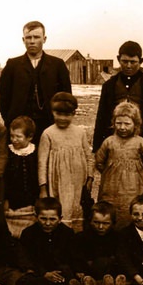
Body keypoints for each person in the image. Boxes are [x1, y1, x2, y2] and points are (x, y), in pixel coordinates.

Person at [0, 20, 71, 140]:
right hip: (19, 128)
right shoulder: (12, 65)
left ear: (44, 39)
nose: (32, 41)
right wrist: (11, 119)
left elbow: (66, 97)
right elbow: (2, 97)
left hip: (50, 126)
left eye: (36, 37)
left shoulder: (57, 65)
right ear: (23, 40)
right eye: (28, 37)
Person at [16, 198, 86, 285]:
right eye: (43, 219)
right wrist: (44, 273)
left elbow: (73, 256)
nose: (47, 223)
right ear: (36, 217)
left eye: (52, 219)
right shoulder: (28, 233)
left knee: (68, 273)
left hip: (59, 273)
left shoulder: (67, 233)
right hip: (40, 273)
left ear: (60, 219)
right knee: (24, 281)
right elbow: (25, 258)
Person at [93, 40, 143, 151]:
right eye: (124, 61)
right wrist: (97, 147)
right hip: (114, 141)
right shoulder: (109, 85)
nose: (128, 66)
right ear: (118, 59)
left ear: (141, 61)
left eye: (133, 62)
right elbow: (101, 117)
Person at [95, 101, 143, 230]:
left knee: (130, 217)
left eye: (127, 124)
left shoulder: (142, 144)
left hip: (134, 188)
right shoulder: (109, 142)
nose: (122, 127)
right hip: (111, 188)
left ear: (136, 124)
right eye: (119, 123)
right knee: (111, 217)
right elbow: (99, 162)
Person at [39, 92, 94, 228]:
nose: (63, 118)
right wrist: (43, 187)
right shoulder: (48, 133)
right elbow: (42, 162)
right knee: (61, 209)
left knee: (77, 208)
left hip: (77, 182)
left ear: (74, 113)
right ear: (52, 112)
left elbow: (89, 156)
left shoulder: (80, 132)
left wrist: (90, 177)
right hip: (57, 182)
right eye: (59, 114)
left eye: (67, 115)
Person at [3, 116, 40, 236]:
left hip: (31, 197)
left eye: (18, 137)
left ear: (29, 137)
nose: (14, 140)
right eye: (12, 136)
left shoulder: (35, 152)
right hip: (13, 197)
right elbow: (5, 178)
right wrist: (5, 199)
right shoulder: (8, 151)